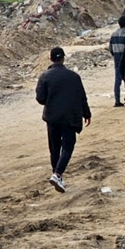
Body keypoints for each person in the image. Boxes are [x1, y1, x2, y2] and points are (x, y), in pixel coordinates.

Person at [35, 47, 91, 194]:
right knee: (67, 147)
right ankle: (58, 174)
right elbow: (82, 97)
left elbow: (40, 99)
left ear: (51, 59)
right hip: (70, 117)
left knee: (54, 148)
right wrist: (87, 113)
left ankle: (56, 175)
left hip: (52, 117)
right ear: (63, 59)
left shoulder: (45, 76)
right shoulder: (74, 76)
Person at [107, 15, 125, 108]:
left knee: (117, 80)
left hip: (117, 59)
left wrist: (115, 55)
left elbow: (110, 48)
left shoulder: (113, 34)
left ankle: (117, 100)